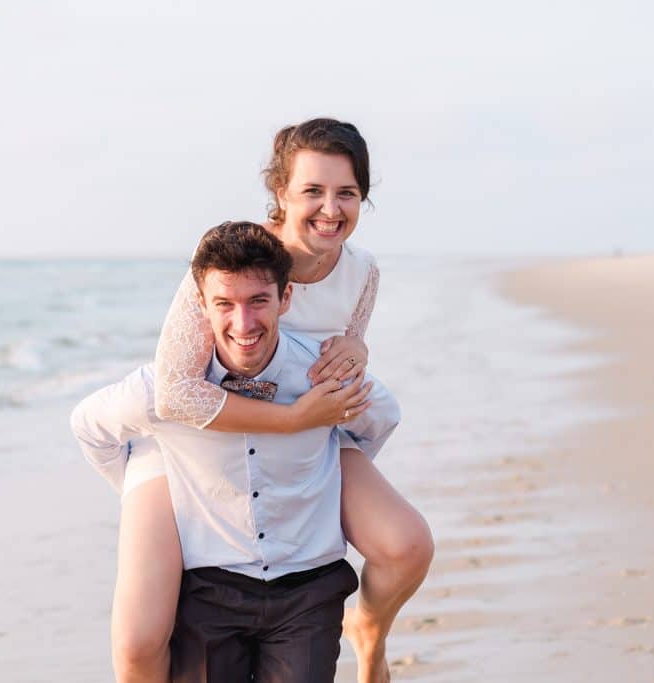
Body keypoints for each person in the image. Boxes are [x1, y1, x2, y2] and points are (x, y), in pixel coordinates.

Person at [112, 118, 434, 683]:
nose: (330, 209)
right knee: (139, 642)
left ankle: (369, 632)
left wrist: (357, 349)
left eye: (347, 193)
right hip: (192, 443)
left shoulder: (362, 272)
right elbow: (177, 391)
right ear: (280, 195)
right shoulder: (237, 260)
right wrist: (290, 419)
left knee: (407, 545)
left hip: (305, 439)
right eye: (312, 191)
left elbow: (348, 346)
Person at [71, 222, 402, 681]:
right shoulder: (163, 391)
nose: (243, 324)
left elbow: (380, 419)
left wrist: (324, 470)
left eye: (258, 301)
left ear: (286, 299)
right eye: (224, 304)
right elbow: (89, 428)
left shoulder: (322, 376)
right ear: (201, 307)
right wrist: (150, 490)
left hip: (305, 588)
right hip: (210, 589)